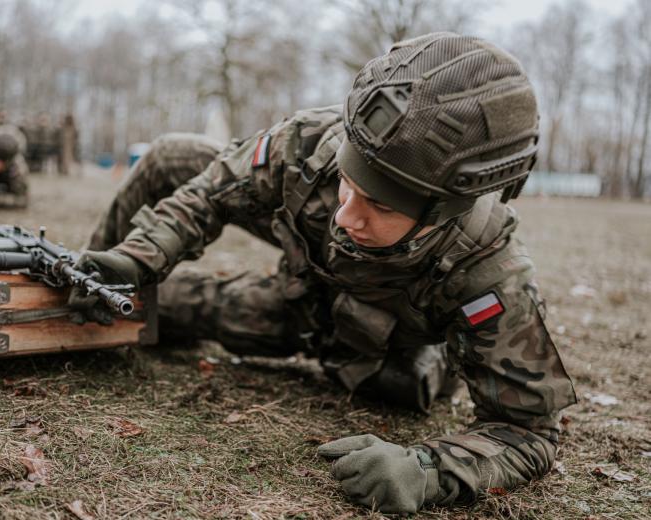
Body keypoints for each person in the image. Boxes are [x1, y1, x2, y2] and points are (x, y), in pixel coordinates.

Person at [72, 33, 576, 514]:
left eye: (378, 204)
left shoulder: (487, 269)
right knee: (165, 186)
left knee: (179, 311)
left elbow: (528, 433)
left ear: (442, 212)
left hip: (355, 339)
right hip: (306, 281)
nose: (346, 216)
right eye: (346, 184)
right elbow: (210, 192)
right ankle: (80, 288)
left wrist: (425, 470)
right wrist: (135, 259)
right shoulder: (311, 143)